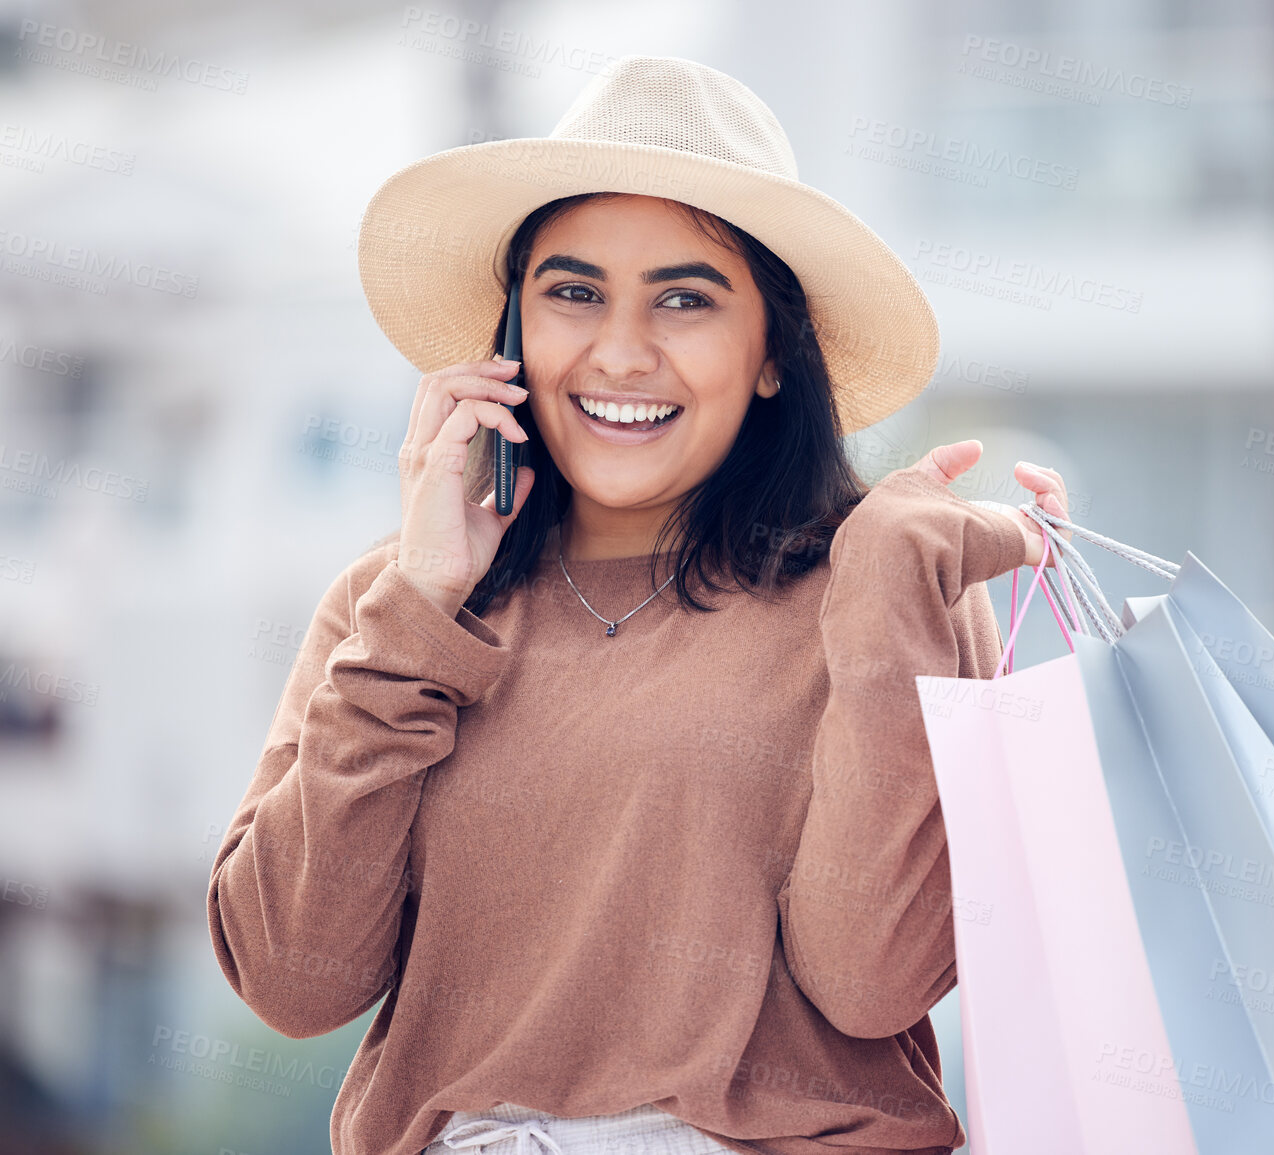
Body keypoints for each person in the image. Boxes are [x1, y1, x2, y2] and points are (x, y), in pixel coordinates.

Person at [206, 55, 1072, 1155]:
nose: (620, 351)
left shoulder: (882, 588)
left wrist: (885, 608)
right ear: (511, 332)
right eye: (572, 294)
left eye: (685, 299)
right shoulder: (396, 607)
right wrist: (420, 603)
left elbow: (874, 983)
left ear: (773, 354)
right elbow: (291, 980)